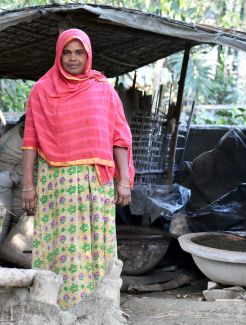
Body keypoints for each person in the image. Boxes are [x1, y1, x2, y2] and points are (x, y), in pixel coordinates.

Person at [21, 28, 135, 310]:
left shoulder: (103, 90)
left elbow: (119, 138)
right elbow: (31, 141)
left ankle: (97, 309)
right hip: (55, 182)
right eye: (67, 52)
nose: (73, 58)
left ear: (88, 55)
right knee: (62, 246)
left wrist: (124, 182)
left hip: (95, 182)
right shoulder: (42, 90)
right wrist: (27, 185)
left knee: (95, 245)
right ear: (58, 55)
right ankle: (60, 308)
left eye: (79, 52)